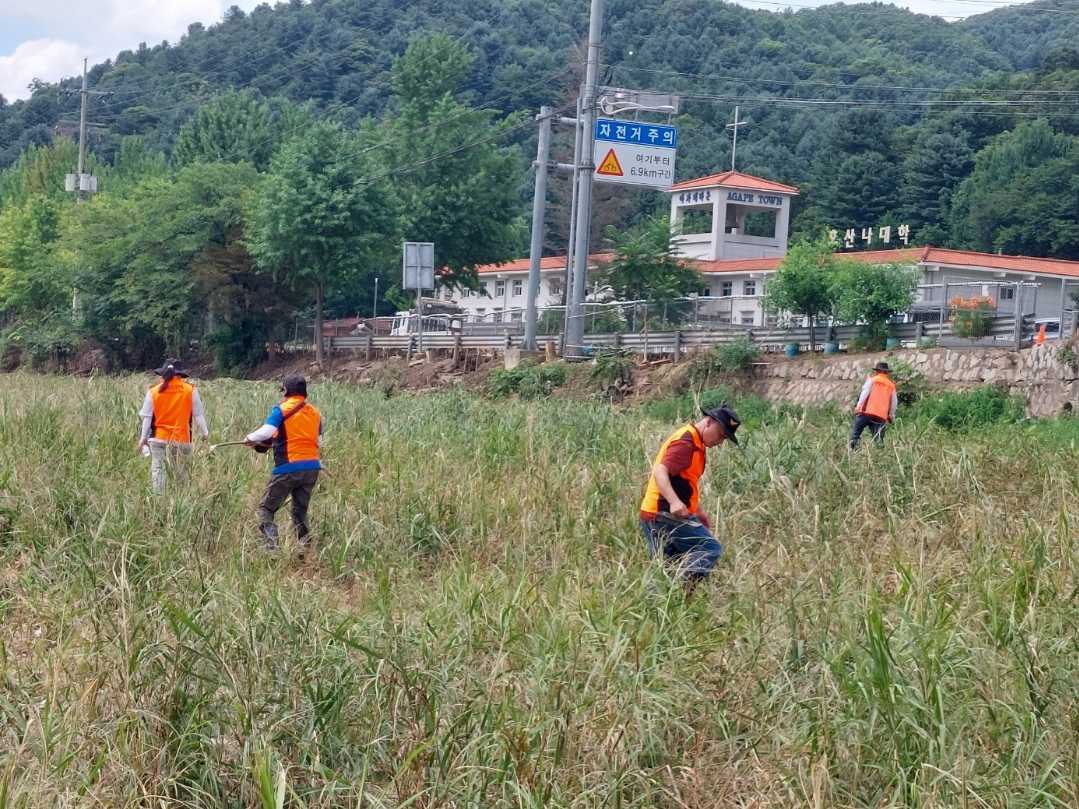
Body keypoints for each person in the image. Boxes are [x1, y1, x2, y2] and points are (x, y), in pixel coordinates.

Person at [639, 404, 741, 591]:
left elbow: (685, 482)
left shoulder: (696, 443)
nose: (720, 441)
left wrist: (698, 511)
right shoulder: (686, 443)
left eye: (725, 438)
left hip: (656, 513)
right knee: (709, 549)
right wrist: (674, 502)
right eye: (720, 435)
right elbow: (660, 471)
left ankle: (663, 602)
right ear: (709, 422)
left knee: (665, 569)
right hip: (663, 513)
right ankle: (679, 594)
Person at [245, 375, 323, 551]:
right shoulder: (315, 413)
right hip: (312, 468)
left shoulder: (281, 409)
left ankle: (271, 548)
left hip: (288, 468)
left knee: (265, 509)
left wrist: (249, 438)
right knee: (299, 512)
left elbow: (267, 431)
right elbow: (318, 442)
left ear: (286, 391)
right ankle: (304, 549)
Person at [137, 358, 209, 493]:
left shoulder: (153, 391)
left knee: (158, 471)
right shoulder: (190, 390)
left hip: (159, 440)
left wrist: (143, 439)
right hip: (182, 440)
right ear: (180, 375)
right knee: (182, 475)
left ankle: (159, 500)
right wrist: (205, 433)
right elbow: (198, 415)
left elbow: (147, 418)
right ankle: (181, 500)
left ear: (163, 374)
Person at [849, 361, 897, 449]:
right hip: (881, 416)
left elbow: (864, 394)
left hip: (866, 413)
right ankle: (879, 454)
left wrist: (858, 407)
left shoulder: (872, 380)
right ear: (887, 373)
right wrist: (891, 415)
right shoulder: (891, 385)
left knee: (856, 434)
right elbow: (894, 403)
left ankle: (853, 450)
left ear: (877, 371)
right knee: (878, 440)